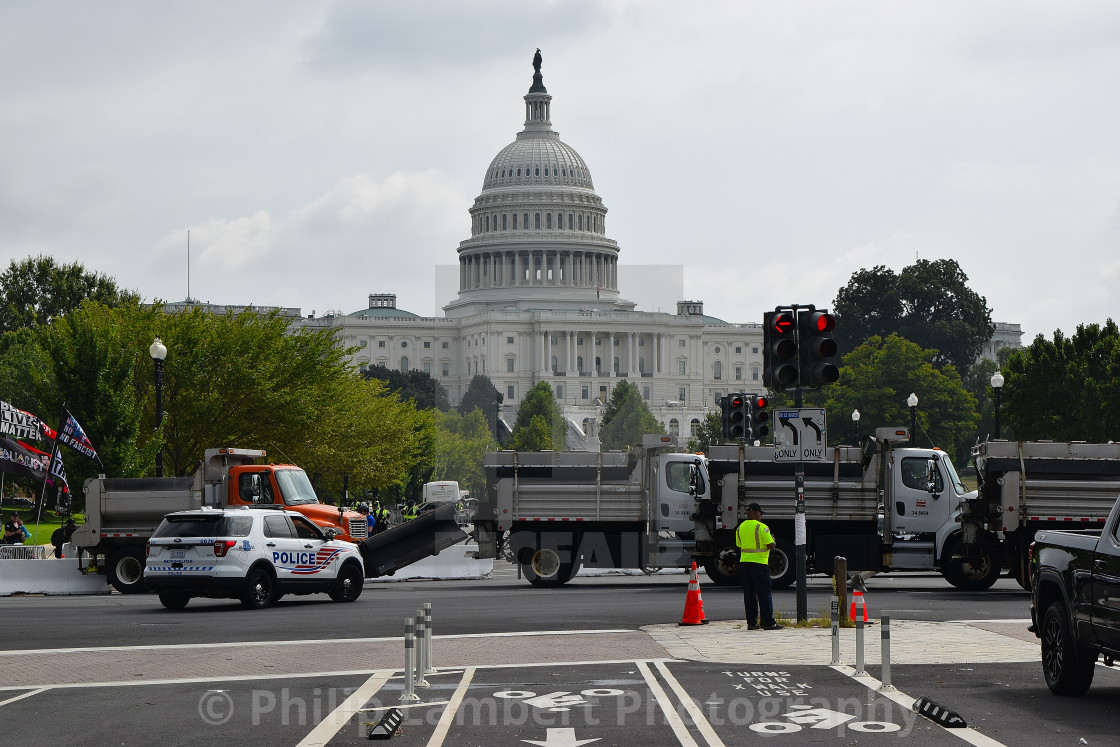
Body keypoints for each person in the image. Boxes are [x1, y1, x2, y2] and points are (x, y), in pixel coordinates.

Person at [736, 502, 783, 630]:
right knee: (764, 593)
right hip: (759, 564)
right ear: (756, 513)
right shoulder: (762, 527)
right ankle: (768, 622)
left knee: (749, 594)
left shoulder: (740, 527)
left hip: (744, 564)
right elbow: (771, 545)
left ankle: (751, 623)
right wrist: (773, 540)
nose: (761, 515)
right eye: (760, 513)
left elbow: (739, 546)